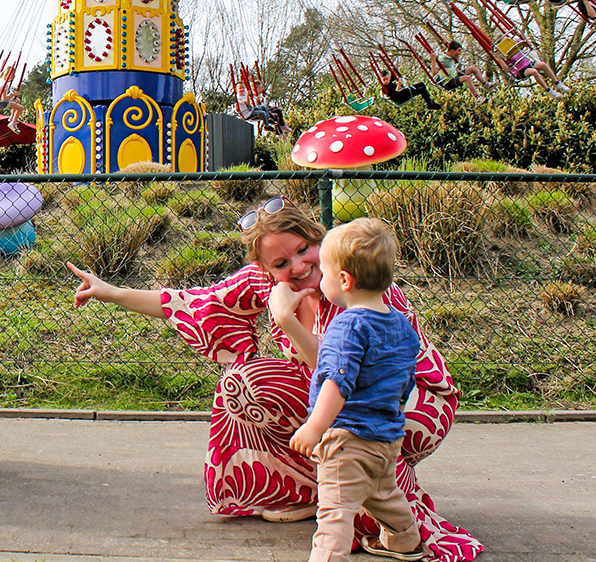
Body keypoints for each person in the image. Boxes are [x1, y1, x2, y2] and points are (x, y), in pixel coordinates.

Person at [66, 197, 481, 562]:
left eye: (305, 250)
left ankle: (347, 509)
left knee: (350, 496)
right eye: (282, 263)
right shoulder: (265, 283)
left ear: (321, 241)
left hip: (408, 407)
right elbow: (188, 301)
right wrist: (110, 291)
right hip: (343, 405)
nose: (299, 266)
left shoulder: (362, 287)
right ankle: (317, 493)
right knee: (243, 383)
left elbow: (344, 371)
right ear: (263, 269)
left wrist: (285, 320)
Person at [288, 218, 425, 562]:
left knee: (334, 511)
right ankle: (405, 541)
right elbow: (406, 379)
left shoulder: (347, 326)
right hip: (386, 438)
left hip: (346, 439)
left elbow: (337, 380)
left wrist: (315, 427)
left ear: (345, 280)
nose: (320, 277)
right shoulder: (401, 325)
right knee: (383, 495)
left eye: (324, 271)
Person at [0, 64, 25, 133]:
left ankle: (12, 117)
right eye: (12, 74)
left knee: (17, 100)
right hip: (1, 103)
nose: (14, 76)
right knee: (21, 108)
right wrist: (13, 94)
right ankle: (13, 123)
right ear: (8, 74)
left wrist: (12, 96)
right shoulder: (4, 85)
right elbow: (4, 99)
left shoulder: (0, 80)